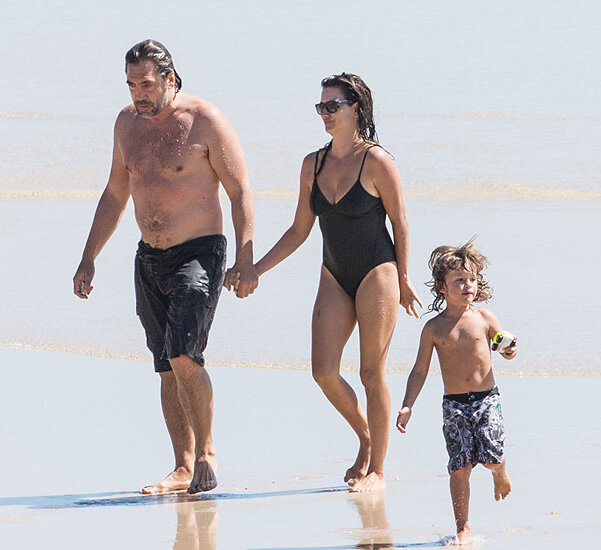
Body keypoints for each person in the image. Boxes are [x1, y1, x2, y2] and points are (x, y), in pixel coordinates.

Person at [73, 39, 257, 495]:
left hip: (199, 253)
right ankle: (182, 466)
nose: (139, 94)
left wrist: (245, 258)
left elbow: (240, 191)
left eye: (147, 85)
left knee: (183, 354)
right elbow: (115, 194)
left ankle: (207, 454)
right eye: (132, 85)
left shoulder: (204, 120)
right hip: (149, 257)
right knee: (165, 366)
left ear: (170, 79)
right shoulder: (126, 124)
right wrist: (89, 257)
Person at [228, 73, 422, 492]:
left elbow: (401, 223)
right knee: (324, 372)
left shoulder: (377, 161)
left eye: (333, 106)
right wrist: (255, 268)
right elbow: (299, 229)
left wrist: (404, 278)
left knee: (371, 373)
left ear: (356, 110)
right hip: (334, 274)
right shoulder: (312, 164)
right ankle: (366, 437)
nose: (325, 114)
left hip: (378, 272)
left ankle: (378, 471)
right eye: (321, 107)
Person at [396, 240, 515, 545]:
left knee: (490, 457)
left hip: (487, 399)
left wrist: (509, 348)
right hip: (454, 405)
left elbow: (502, 346)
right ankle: (463, 527)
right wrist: (408, 405)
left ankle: (499, 469)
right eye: (459, 280)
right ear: (442, 288)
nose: (467, 285)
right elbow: (419, 370)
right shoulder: (434, 329)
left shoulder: (485, 318)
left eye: (472, 279)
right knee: (460, 467)